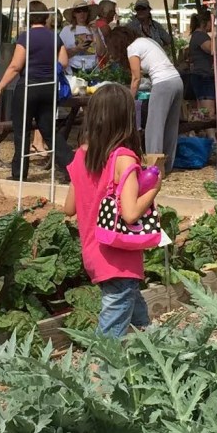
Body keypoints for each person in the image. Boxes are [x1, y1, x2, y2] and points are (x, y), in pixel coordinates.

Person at [64, 82, 160, 338]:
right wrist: (153, 189)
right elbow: (130, 214)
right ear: (127, 118)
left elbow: (69, 208)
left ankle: (154, 343)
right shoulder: (124, 158)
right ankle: (98, 374)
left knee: (135, 309)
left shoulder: (80, 156)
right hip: (119, 255)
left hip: (94, 253)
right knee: (110, 336)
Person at [0, 1, 70, 182]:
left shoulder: (25, 37)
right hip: (49, 87)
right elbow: (64, 62)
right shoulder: (55, 37)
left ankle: (19, 174)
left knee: (22, 131)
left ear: (28, 17)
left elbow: (16, 65)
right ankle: (71, 168)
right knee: (49, 131)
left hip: (28, 86)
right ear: (46, 16)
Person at [127, 24, 183, 174]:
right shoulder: (149, 42)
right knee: (170, 127)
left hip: (162, 83)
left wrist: (129, 100)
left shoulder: (132, 48)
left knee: (154, 128)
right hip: (177, 80)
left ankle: (154, 169)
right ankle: (168, 166)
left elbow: (136, 78)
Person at [186, 9, 216, 112]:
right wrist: (215, 34)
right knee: (208, 112)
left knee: (202, 112)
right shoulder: (200, 36)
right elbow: (212, 49)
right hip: (204, 76)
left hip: (200, 76)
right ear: (206, 22)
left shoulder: (197, 35)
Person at [60, 1, 98, 75]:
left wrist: (96, 32)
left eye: (84, 10)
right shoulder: (67, 30)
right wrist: (77, 49)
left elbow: (102, 52)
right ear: (74, 14)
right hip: (72, 71)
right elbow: (60, 54)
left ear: (88, 12)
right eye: (78, 11)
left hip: (93, 71)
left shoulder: (95, 29)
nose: (82, 13)